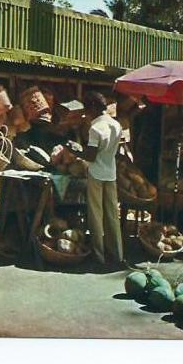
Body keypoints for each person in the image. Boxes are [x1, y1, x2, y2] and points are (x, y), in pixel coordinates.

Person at [67, 91, 123, 266]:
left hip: (96, 173)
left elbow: (90, 156)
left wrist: (74, 150)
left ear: (92, 107)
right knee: (112, 215)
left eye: (87, 108)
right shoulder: (116, 125)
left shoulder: (95, 128)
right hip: (111, 173)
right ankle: (117, 254)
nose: (86, 113)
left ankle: (99, 255)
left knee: (96, 215)